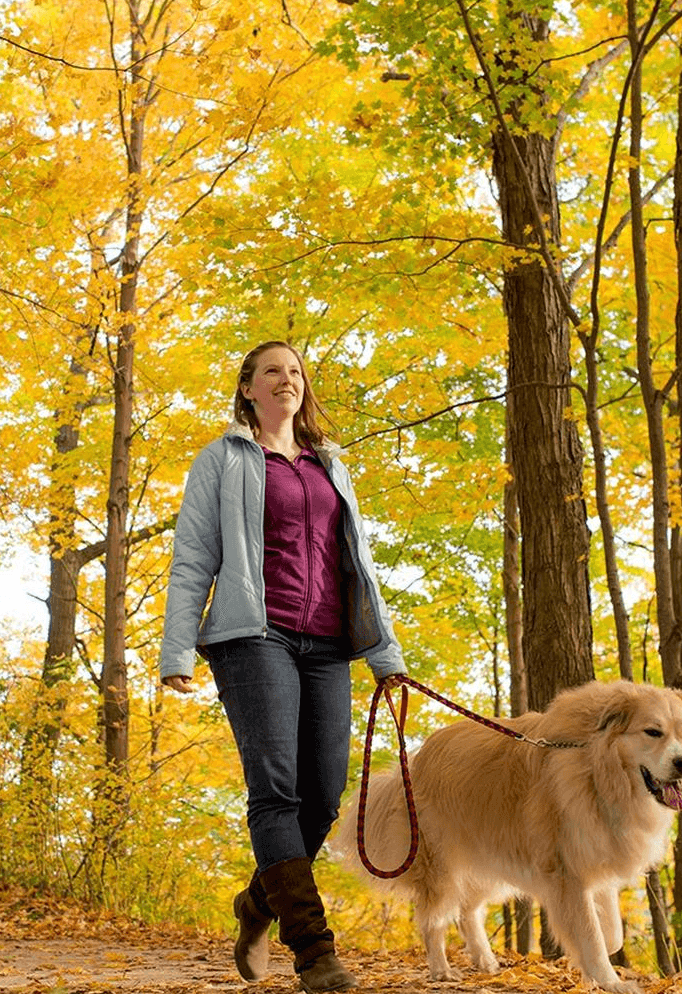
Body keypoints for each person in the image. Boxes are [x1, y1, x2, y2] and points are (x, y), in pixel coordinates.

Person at [160, 340, 406, 992]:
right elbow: (193, 557)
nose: (286, 379)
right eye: (272, 370)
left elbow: (361, 564)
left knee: (322, 797)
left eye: (295, 371)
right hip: (253, 637)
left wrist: (385, 654)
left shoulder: (331, 466)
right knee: (276, 791)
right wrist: (176, 649)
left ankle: (255, 904)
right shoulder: (224, 459)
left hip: (328, 645)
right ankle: (314, 952)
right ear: (248, 389)